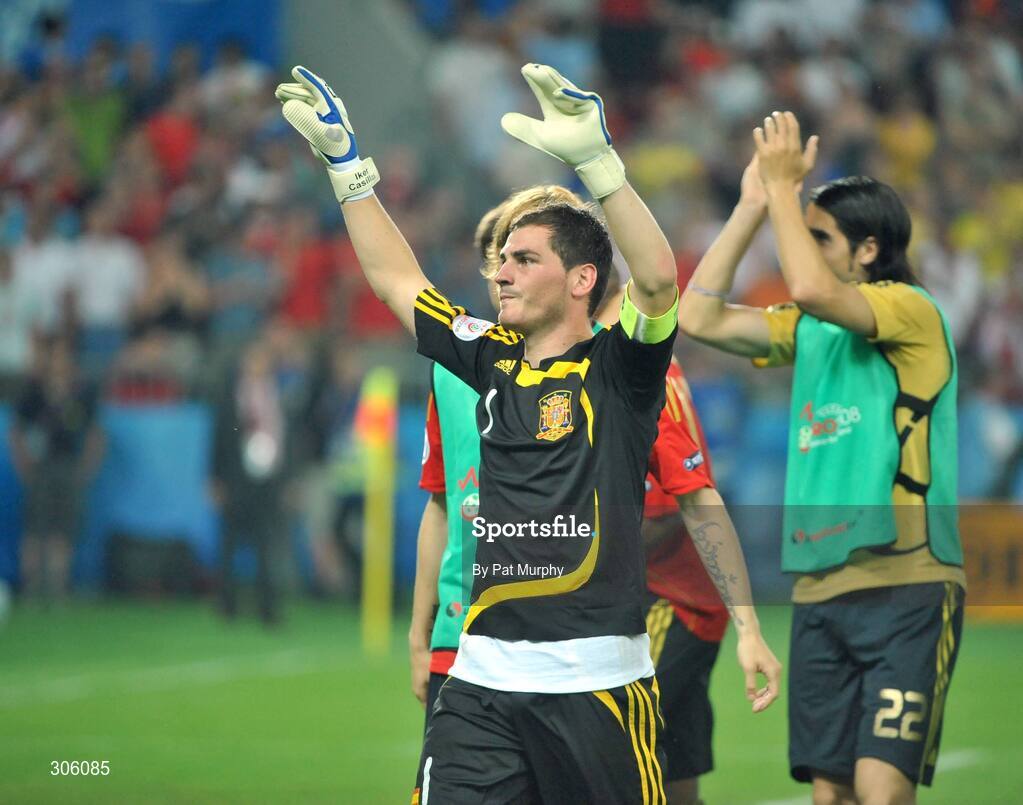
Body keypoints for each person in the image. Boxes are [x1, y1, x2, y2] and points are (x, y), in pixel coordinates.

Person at [277, 63, 779, 803]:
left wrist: (598, 165)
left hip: (598, 684)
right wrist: (348, 169)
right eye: (500, 260)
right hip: (480, 682)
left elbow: (657, 282)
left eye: (523, 259)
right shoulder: (488, 354)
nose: (501, 274)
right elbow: (396, 281)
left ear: (580, 280)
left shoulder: (623, 371)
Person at [679, 111, 965, 805]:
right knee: (829, 794)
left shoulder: (910, 310)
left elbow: (808, 287)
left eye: (818, 237)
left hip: (907, 584)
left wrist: (783, 188)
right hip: (819, 590)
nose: (799, 247)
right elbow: (697, 315)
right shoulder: (804, 329)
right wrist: (753, 202)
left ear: (867, 250)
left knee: (879, 787)